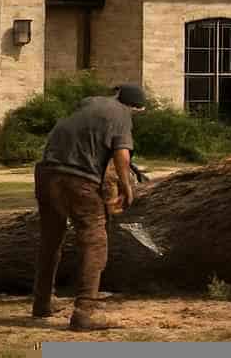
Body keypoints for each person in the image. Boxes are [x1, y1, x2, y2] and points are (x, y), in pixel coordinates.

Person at [32, 83, 147, 330]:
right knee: (95, 240)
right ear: (134, 106)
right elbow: (122, 155)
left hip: (46, 172)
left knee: (51, 239)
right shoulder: (122, 114)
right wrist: (127, 188)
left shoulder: (88, 104)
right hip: (77, 179)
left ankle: (41, 303)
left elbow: (86, 141)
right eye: (138, 112)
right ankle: (85, 312)